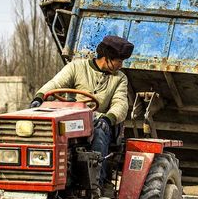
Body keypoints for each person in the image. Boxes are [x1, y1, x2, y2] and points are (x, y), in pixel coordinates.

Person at [31, 35, 134, 185]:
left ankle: (96, 181)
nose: (121, 65)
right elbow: (56, 83)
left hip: (97, 120)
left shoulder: (119, 78)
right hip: (72, 118)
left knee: (99, 129)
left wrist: (108, 118)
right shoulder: (76, 67)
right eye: (119, 61)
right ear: (107, 58)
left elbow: (121, 104)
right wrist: (39, 97)